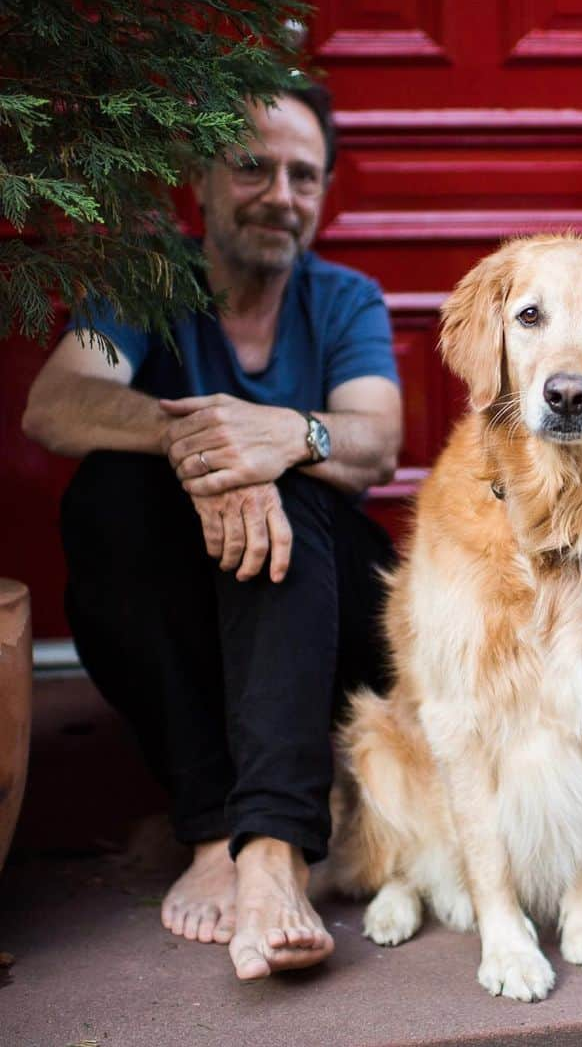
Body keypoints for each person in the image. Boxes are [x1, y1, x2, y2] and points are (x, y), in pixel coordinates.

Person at [22, 84, 402, 981]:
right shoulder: (150, 279)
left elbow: (377, 441)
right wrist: (210, 440)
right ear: (200, 178)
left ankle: (272, 848)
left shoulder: (345, 299)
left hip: (329, 616)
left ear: (324, 193)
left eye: (303, 176)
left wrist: (289, 439)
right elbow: (56, 403)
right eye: (253, 166)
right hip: (191, 606)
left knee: (303, 483)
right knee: (111, 494)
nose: (281, 193)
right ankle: (215, 827)